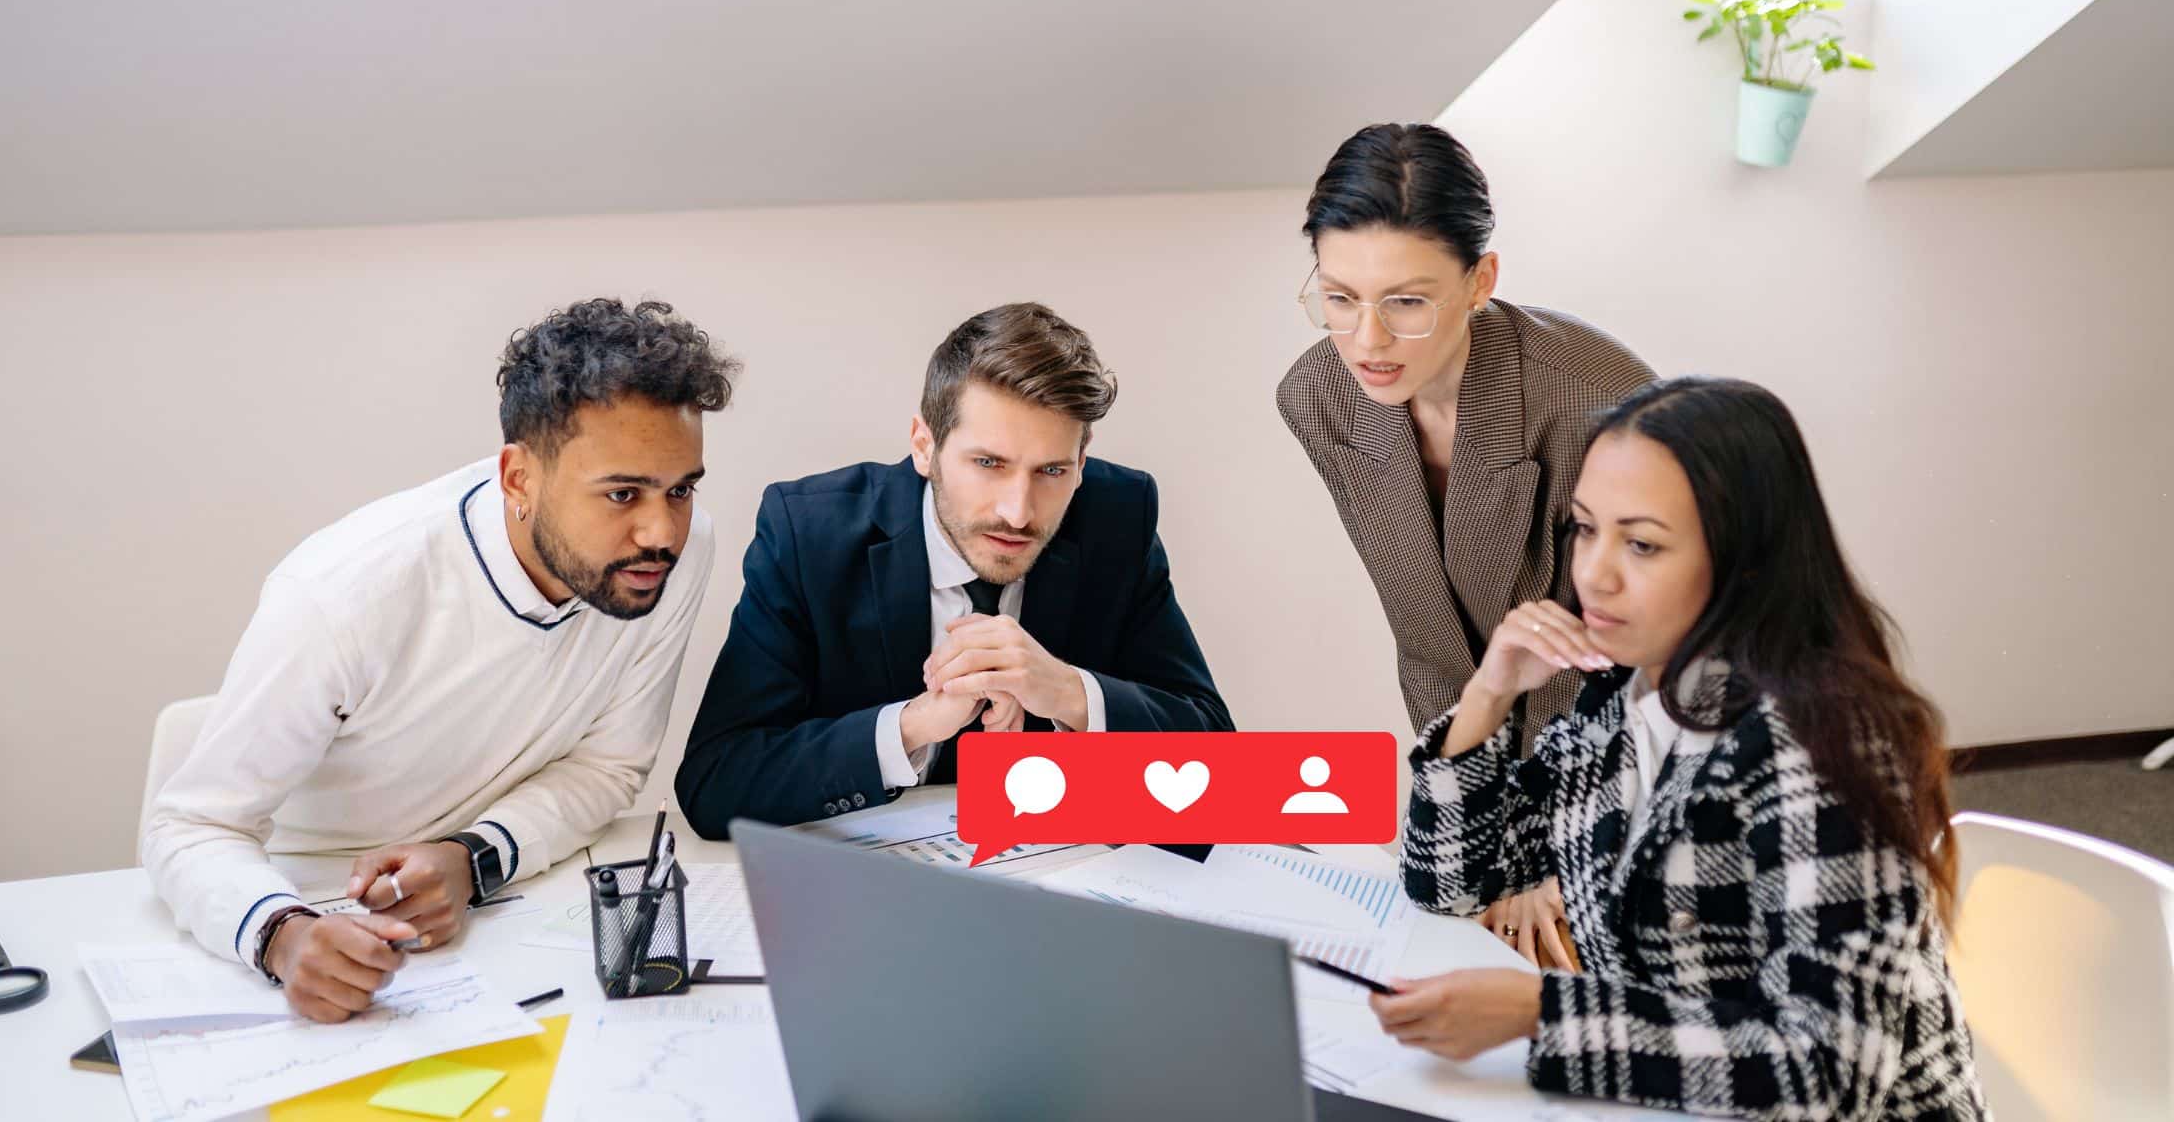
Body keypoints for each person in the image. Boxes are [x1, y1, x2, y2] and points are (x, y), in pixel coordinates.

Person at [1370, 377, 1986, 1120]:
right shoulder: (1618, 695)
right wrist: (1488, 695)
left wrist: (1545, 1012)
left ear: (1743, 561)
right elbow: (1449, 884)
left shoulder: (1819, 739)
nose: (1593, 573)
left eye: (1642, 544)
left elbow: (1830, 1071)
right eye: (1585, 529)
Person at [142, 298, 736, 1024]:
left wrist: (472, 858)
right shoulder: (345, 591)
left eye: (680, 489)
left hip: (501, 908)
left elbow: (608, 767)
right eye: (622, 493)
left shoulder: (672, 551)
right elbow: (190, 827)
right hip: (307, 909)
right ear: (519, 478)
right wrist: (282, 938)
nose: (661, 529)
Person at [1276, 121, 1655, 965]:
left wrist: (1546, 856)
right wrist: (1475, 836)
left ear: (1481, 280)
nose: (1366, 341)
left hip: (1624, 765)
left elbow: (1636, 653)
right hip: (1465, 747)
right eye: (1339, 297)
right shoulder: (1317, 398)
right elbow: (1436, 637)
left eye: (1406, 301)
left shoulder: (1604, 399)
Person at [675, 302, 1231, 837]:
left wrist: (1067, 691)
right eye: (989, 464)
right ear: (925, 446)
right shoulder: (809, 533)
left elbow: (1221, 768)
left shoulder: (1118, 517)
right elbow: (715, 781)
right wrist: (910, 728)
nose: (1018, 511)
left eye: (1053, 471)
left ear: (1082, 463)